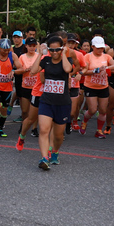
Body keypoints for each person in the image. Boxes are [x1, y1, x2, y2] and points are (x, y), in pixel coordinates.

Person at [30, 35, 73, 170]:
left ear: (62, 49)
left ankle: (54, 152)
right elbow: (32, 71)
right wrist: (39, 54)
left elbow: (67, 69)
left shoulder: (67, 59)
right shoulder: (46, 60)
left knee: (58, 135)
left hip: (62, 103)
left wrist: (64, 54)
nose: (54, 53)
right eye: (51, 50)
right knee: (43, 130)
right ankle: (44, 158)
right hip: (46, 101)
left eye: (57, 50)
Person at [80, 36, 114, 138]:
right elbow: (84, 72)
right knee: (92, 110)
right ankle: (84, 121)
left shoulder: (106, 57)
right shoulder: (88, 56)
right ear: (92, 47)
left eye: (102, 48)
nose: (100, 50)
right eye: (98, 48)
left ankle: (99, 130)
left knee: (103, 110)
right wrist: (96, 70)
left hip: (103, 86)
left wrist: (106, 68)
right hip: (90, 86)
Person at [0, 38, 23, 137]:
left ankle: (0, 128)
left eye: (7, 50)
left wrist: (13, 71)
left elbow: (21, 68)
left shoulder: (13, 56)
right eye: (3, 50)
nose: (5, 52)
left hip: (8, 87)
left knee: (4, 108)